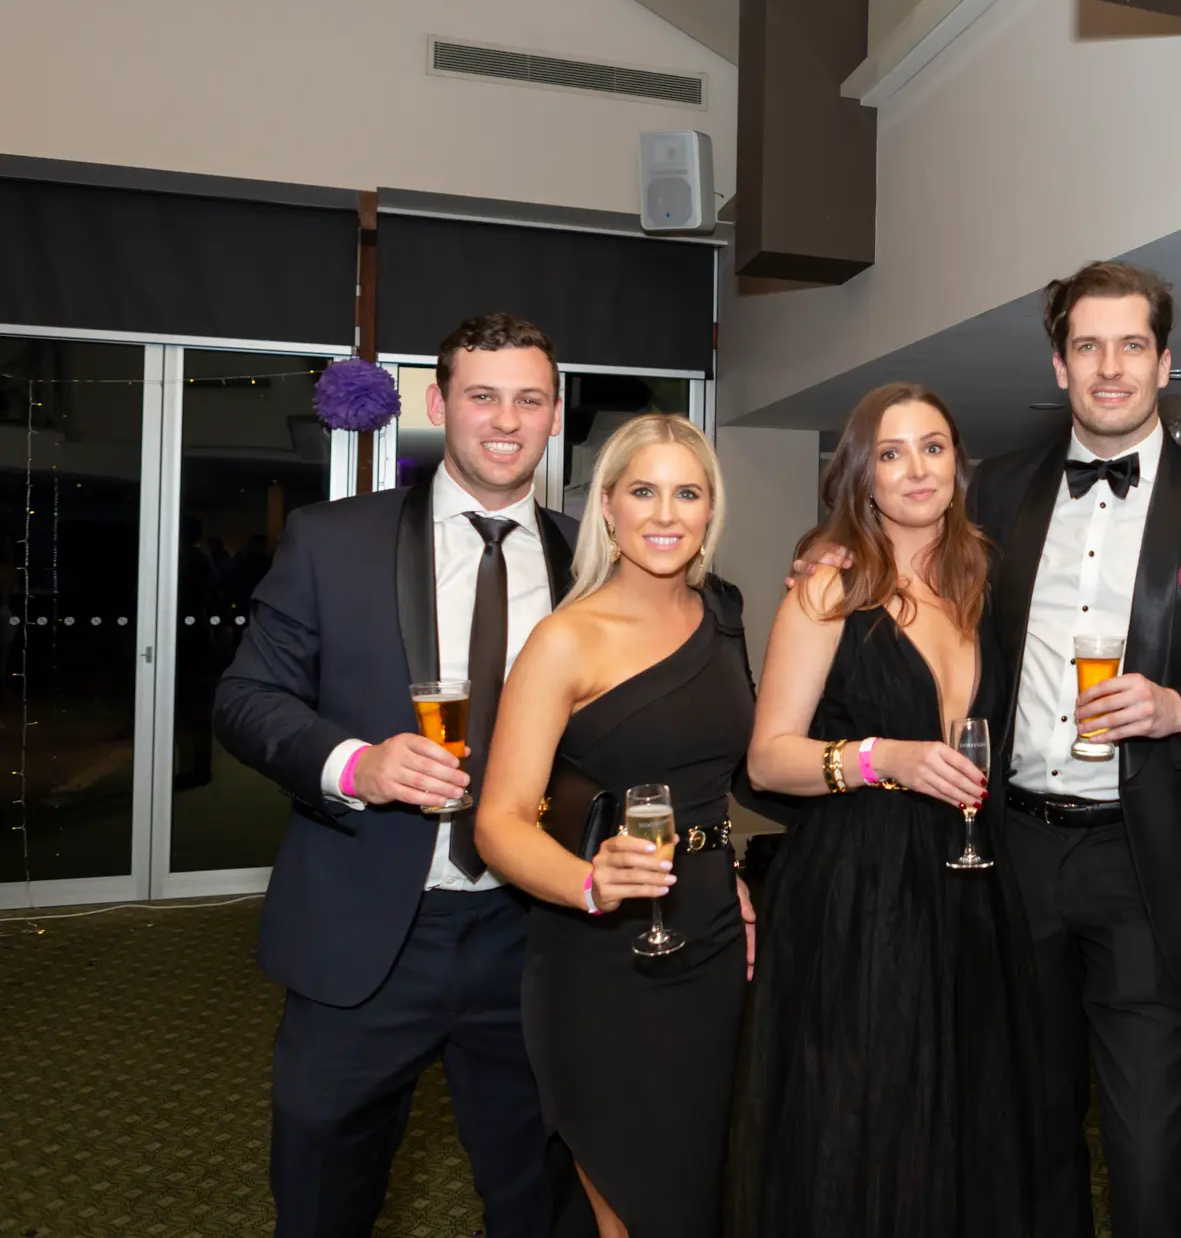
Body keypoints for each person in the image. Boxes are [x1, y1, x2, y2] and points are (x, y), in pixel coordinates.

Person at [215, 314, 571, 1238]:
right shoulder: (332, 541)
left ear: (555, 412)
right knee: (323, 1201)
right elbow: (247, 700)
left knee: (541, 1198)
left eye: (528, 398)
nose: (506, 419)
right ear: (438, 402)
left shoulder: (594, 564)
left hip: (535, 937)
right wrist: (356, 763)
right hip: (367, 933)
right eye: (482, 394)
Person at [969, 262, 1181, 1238]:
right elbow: (922, 601)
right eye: (1088, 344)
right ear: (1059, 361)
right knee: (1031, 1126)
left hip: (1145, 855)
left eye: (1132, 344)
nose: (1110, 365)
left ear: (1164, 361)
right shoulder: (997, 492)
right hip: (1015, 851)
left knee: (1145, 1147)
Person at [735, 383, 1044, 1238]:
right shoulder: (827, 588)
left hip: (968, 880)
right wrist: (884, 759)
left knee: (961, 1110)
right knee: (866, 1119)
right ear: (861, 476)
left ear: (958, 464)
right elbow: (769, 756)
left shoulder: (982, 584)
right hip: (857, 892)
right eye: (892, 452)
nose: (917, 469)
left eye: (934, 447)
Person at [475, 413, 755, 1238]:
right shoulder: (565, 639)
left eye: (687, 492)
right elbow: (497, 822)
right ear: (606, 506)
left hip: (708, 939)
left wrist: (729, 871)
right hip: (600, 956)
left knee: (697, 1185)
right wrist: (590, 882)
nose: (665, 512)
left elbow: (718, 777)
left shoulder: (726, 617)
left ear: (710, 511)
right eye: (643, 490)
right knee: (632, 1205)